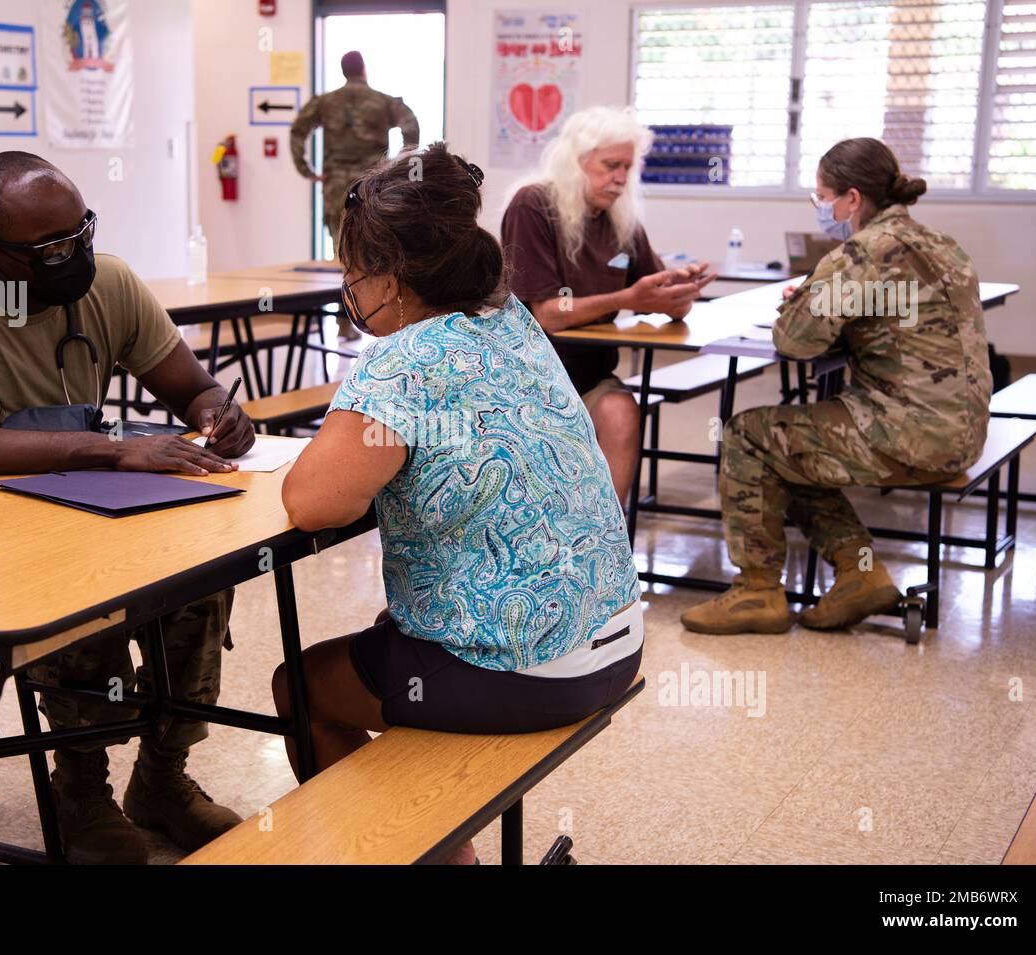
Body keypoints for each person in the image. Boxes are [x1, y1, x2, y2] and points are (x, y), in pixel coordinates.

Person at [0, 151, 256, 863]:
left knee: (200, 582)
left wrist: (219, 411)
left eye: (81, 231)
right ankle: (80, 788)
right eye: (50, 248)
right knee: (83, 598)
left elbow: (193, 389)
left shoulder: (106, 282)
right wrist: (108, 450)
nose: (74, 254)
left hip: (78, 508)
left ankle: (162, 780)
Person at [274, 143, 643, 864]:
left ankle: (437, 856)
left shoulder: (401, 361)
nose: (348, 286)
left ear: (392, 276)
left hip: (535, 669)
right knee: (390, 633)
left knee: (301, 687)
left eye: (353, 269)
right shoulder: (510, 319)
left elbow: (312, 501)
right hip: (615, 635)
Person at [681, 137, 992, 635]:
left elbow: (797, 339)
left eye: (823, 196)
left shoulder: (864, 250)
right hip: (963, 429)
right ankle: (859, 574)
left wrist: (803, 299)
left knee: (749, 436)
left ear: (852, 198)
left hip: (912, 432)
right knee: (794, 445)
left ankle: (757, 591)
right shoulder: (940, 243)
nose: (821, 207)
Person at [500, 106, 714, 511]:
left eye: (626, 169)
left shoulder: (621, 220)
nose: (619, 179)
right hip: (532, 380)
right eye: (610, 166)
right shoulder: (533, 206)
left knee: (621, 413)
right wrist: (628, 299)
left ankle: (608, 542)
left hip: (590, 374)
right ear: (575, 162)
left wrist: (681, 289)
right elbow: (548, 312)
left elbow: (656, 291)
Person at [290, 50, 420, 339]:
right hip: (373, 189)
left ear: (343, 70)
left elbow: (298, 129)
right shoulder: (383, 101)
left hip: (337, 188)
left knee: (344, 257)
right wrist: (399, 164)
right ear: (363, 69)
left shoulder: (325, 102)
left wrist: (306, 168)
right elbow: (410, 124)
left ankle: (344, 323)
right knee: (380, 254)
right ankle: (382, 323)